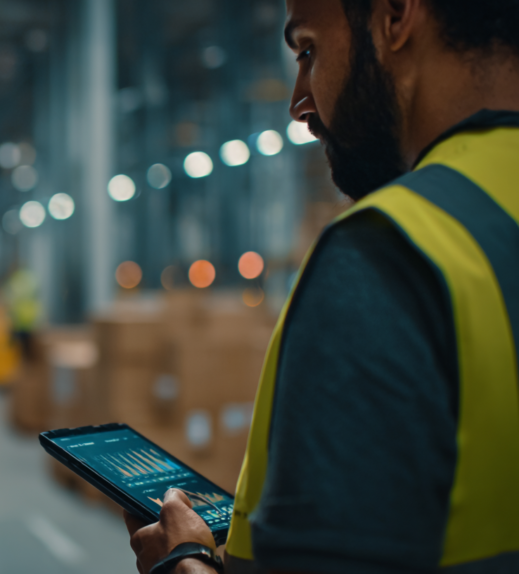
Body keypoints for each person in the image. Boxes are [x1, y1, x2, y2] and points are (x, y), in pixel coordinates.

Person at [125, 1, 519, 573]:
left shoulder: (388, 253)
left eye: (309, 50)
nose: (299, 102)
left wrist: (183, 561)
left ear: (395, 15)